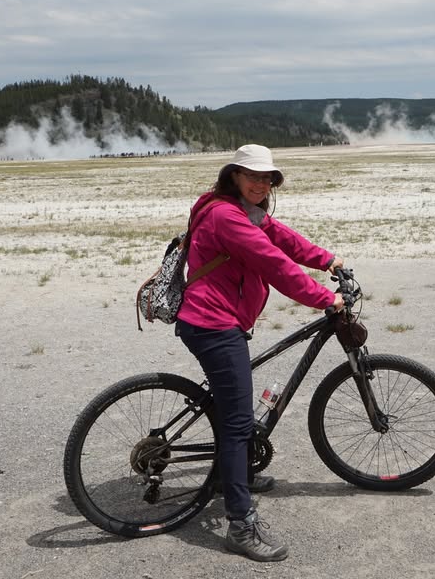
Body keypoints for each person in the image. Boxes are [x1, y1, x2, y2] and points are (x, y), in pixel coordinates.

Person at [176, 144, 344, 562]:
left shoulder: (239, 209)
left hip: (217, 319)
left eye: (267, 177)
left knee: (232, 409)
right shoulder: (225, 216)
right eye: (252, 175)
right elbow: (274, 263)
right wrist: (325, 298)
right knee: (236, 425)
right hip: (213, 324)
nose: (260, 183)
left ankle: (227, 475)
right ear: (233, 175)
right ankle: (240, 525)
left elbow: (281, 237)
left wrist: (328, 260)